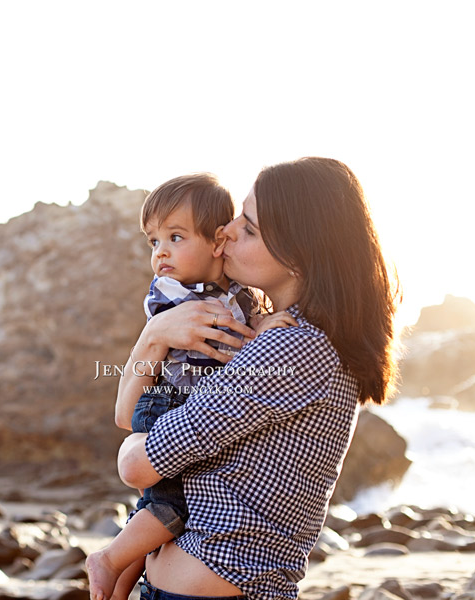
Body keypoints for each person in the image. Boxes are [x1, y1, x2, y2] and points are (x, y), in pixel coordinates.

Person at [113, 157, 398, 600]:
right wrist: (154, 335)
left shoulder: (293, 346)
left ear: (300, 256)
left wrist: (137, 436)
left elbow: (137, 463)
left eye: (248, 228)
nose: (226, 232)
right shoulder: (276, 331)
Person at [86, 174, 295, 600]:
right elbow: (224, 336)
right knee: (173, 506)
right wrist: (256, 332)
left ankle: (116, 579)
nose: (160, 251)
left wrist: (262, 323)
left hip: (187, 404)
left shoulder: (237, 293)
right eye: (153, 242)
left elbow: (239, 331)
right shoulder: (174, 294)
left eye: (175, 237)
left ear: (217, 242)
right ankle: (107, 561)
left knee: (157, 511)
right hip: (167, 401)